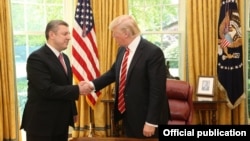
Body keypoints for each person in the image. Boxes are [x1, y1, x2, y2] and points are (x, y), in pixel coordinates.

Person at [87, 15, 171, 138]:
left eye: (115, 33)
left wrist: (151, 122)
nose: (113, 37)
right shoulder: (122, 50)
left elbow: (157, 90)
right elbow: (113, 73)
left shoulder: (153, 52)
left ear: (126, 33)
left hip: (147, 117)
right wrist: (91, 85)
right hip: (128, 113)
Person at [20, 20, 92, 141]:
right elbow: (46, 89)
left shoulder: (65, 58)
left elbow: (66, 85)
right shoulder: (37, 58)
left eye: (69, 34)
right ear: (52, 35)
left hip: (61, 122)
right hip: (41, 123)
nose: (69, 37)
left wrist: (73, 111)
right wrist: (78, 89)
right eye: (65, 34)